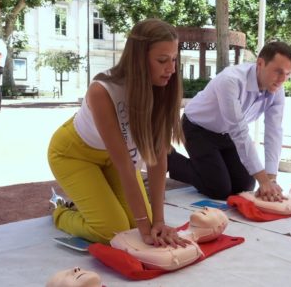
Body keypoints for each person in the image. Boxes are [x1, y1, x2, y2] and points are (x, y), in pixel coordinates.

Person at [47, 18, 187, 248]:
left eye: (174, 59)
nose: (171, 69)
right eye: (162, 60)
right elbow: (125, 166)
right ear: (139, 60)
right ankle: (60, 209)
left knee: (142, 222)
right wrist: (146, 232)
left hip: (113, 159)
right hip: (73, 155)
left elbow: (158, 160)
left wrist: (158, 221)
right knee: (113, 231)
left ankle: (95, 203)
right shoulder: (102, 91)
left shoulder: (163, 88)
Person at [168, 41, 291, 202]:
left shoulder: (277, 87)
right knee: (219, 189)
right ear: (260, 63)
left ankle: (208, 167)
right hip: (198, 128)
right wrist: (263, 180)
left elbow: (274, 131)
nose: (282, 79)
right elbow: (239, 132)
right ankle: (167, 157)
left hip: (226, 134)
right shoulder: (231, 80)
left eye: (287, 74)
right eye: (278, 72)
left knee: (245, 186)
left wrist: (271, 178)